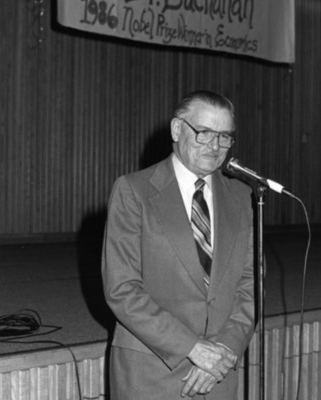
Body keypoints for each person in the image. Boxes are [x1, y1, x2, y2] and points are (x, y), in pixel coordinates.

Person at [102, 90, 256, 399]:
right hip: (151, 372)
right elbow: (122, 289)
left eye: (225, 137)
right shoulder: (134, 191)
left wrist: (224, 350)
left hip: (218, 376)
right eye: (204, 133)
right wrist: (194, 348)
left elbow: (251, 285)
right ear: (177, 129)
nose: (215, 146)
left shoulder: (241, 197)